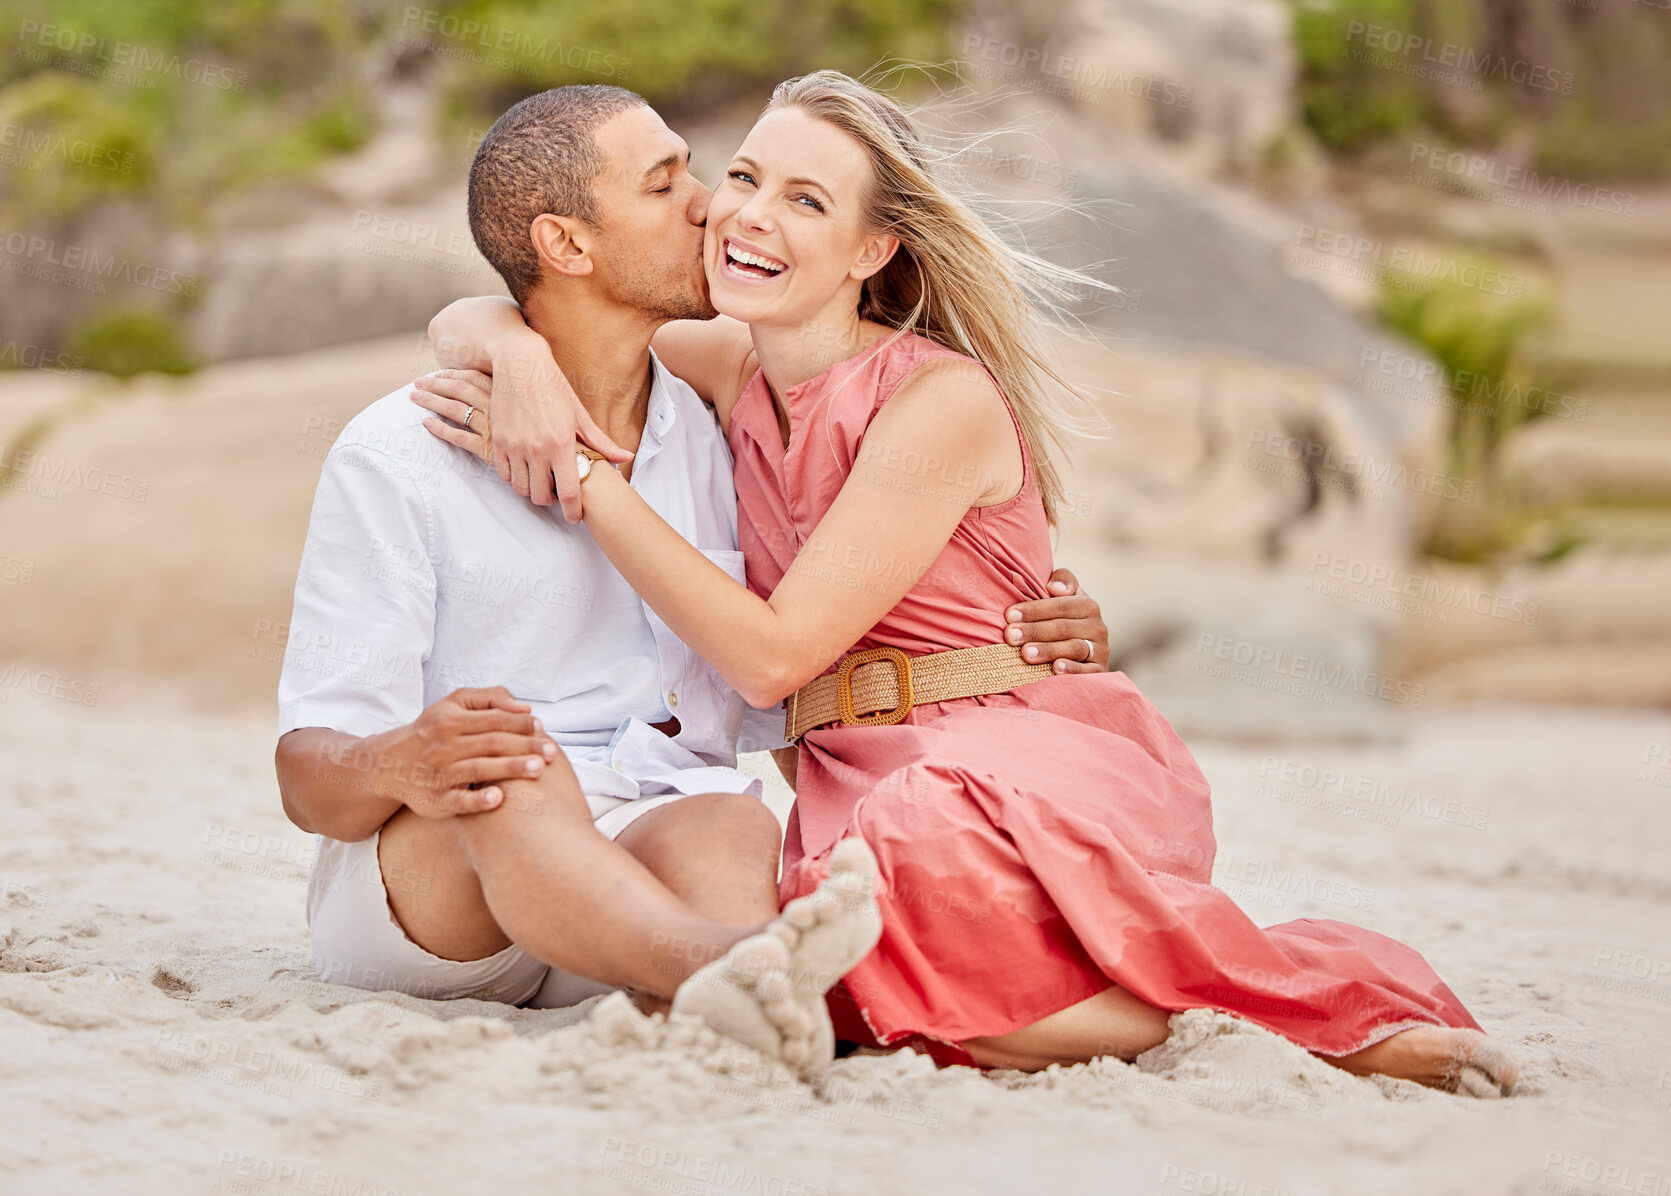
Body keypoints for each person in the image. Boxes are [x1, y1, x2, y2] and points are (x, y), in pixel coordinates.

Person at [419, 72, 1521, 1097]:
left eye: (807, 200)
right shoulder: (731, 368)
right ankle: (1119, 1011)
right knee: (820, 932)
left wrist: (592, 483)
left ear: (871, 248)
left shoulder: (935, 401)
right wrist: (513, 358)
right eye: (744, 177)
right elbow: (493, 315)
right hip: (853, 774)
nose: (747, 213)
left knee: (897, 860)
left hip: (1004, 749)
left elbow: (768, 654)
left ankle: (1290, 1015)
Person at [275, 83, 1109, 1076]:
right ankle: (729, 965)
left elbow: (835, 608)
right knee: (512, 764)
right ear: (569, 246)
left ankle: (720, 995)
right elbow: (306, 778)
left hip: (641, 849)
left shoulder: (718, 422)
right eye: (667, 183)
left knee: (730, 815)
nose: (713, 204)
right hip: (437, 906)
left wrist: (1016, 635)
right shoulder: (403, 452)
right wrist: (406, 759)